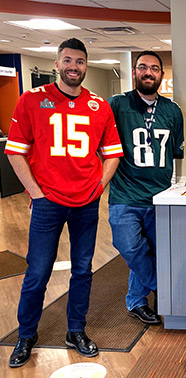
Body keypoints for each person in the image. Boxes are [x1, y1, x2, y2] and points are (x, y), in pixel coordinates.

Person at [5, 38, 123, 368]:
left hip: (86, 201)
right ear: (57, 64)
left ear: (86, 65)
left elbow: (113, 154)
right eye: (67, 60)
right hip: (48, 202)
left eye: (80, 61)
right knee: (38, 271)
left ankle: (75, 330)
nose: (74, 66)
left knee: (83, 270)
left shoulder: (99, 105)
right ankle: (26, 334)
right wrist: (36, 192)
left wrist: (98, 187)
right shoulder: (31, 100)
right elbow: (15, 151)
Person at [107, 51, 184, 324]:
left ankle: (137, 301)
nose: (148, 72)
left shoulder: (172, 110)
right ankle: (160, 287)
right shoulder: (116, 104)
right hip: (125, 195)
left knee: (152, 250)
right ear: (135, 72)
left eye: (154, 68)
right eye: (142, 67)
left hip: (160, 195)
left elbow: (177, 152)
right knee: (130, 247)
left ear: (161, 75)